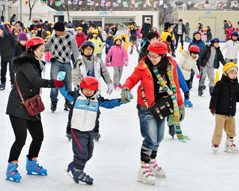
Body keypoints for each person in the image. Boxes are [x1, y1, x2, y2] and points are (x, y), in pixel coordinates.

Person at [121, 41, 185, 185]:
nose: (152, 58)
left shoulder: (170, 66)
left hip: (162, 106)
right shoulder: (144, 66)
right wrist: (126, 88)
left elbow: (175, 86)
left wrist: (180, 106)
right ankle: (143, 168)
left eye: (155, 56)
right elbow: (132, 79)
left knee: (159, 138)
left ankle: (151, 162)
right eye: (150, 55)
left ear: (163, 55)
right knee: (150, 139)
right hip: (146, 107)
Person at [5, 37, 65, 182]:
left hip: (31, 106)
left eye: (44, 50)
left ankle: (32, 163)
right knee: (20, 140)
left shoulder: (36, 63)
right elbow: (36, 81)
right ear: (32, 50)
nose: (43, 53)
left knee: (38, 136)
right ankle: (11, 169)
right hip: (18, 105)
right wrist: (54, 83)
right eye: (41, 50)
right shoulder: (26, 64)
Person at [59, 76, 131, 185]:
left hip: (89, 130)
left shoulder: (97, 100)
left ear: (95, 90)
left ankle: (74, 165)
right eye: (86, 89)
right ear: (81, 88)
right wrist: (60, 81)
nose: (88, 92)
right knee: (81, 153)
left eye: (91, 90)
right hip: (77, 130)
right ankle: (78, 172)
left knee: (88, 154)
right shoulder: (75, 97)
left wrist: (121, 101)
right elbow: (64, 92)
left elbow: (109, 103)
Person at [68, 41, 113, 141]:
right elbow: (75, 75)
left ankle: (95, 131)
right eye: (86, 49)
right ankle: (70, 131)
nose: (89, 51)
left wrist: (109, 83)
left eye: (90, 49)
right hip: (81, 90)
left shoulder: (98, 61)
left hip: (94, 90)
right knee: (75, 111)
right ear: (82, 50)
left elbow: (104, 72)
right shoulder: (79, 61)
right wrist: (78, 87)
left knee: (95, 111)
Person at [45, 22, 79, 112]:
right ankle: (53, 101)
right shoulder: (53, 37)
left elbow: (75, 52)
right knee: (54, 83)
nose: (54, 32)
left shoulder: (71, 38)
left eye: (56, 30)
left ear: (60, 31)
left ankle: (68, 101)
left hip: (67, 62)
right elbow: (46, 46)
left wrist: (78, 63)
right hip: (56, 61)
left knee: (68, 83)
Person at [210, 63, 239, 153]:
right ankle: (215, 143)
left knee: (231, 130)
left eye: (235, 73)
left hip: (231, 112)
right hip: (220, 112)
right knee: (218, 130)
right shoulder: (220, 84)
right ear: (226, 73)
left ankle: (229, 143)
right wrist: (212, 106)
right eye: (231, 72)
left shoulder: (237, 85)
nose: (234, 75)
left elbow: (237, 97)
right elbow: (215, 96)